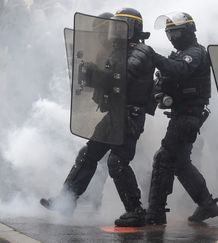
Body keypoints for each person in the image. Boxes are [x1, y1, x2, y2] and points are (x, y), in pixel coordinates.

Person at [40, 8, 156, 227]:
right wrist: (89, 76)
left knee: (117, 162)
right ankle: (67, 201)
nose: (115, 32)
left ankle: (136, 211)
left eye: (121, 26)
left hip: (130, 116)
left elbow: (121, 78)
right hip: (115, 114)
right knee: (88, 154)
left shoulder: (140, 51)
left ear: (133, 28)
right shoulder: (119, 51)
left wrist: (94, 73)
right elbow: (110, 82)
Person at [141, 12, 218, 225]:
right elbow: (166, 78)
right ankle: (206, 204)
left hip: (188, 116)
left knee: (163, 158)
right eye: (169, 32)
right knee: (180, 163)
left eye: (175, 31)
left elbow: (181, 70)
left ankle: (155, 214)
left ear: (188, 31)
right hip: (182, 115)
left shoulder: (195, 53)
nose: (172, 36)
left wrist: (152, 56)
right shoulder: (178, 54)